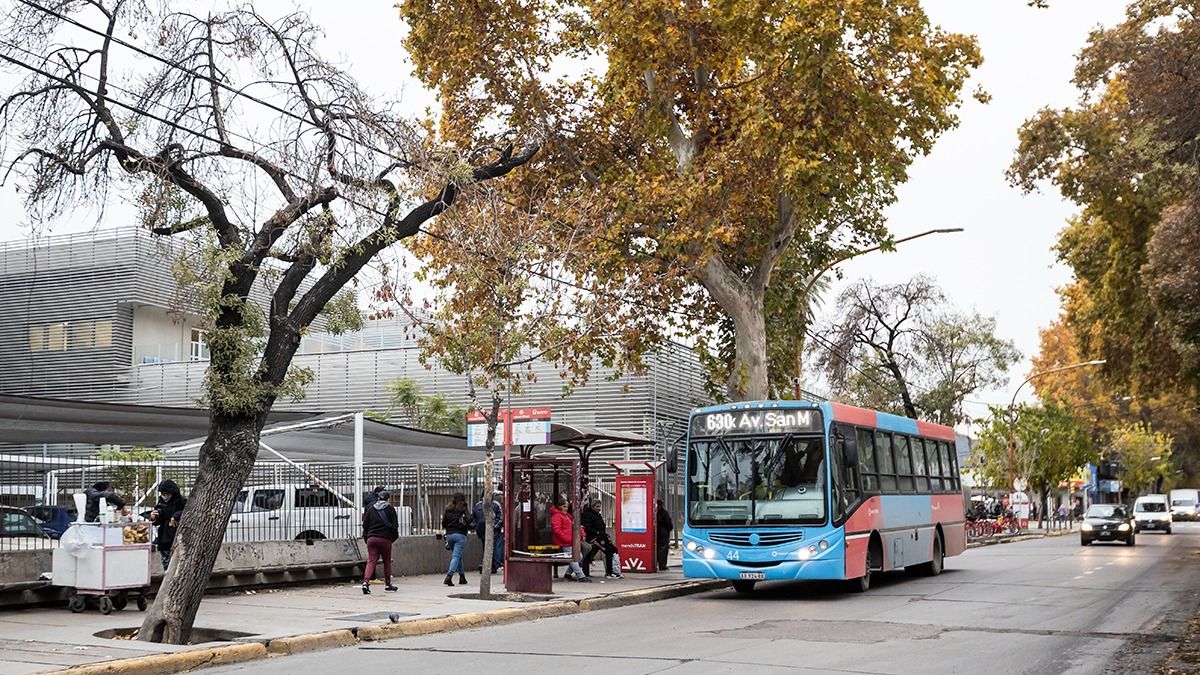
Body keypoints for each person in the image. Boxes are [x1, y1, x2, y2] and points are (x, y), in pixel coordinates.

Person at [361, 490, 399, 594]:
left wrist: (367, 537)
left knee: (371, 561)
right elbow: (395, 526)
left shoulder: (371, 509)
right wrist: (392, 538)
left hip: (371, 538)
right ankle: (387, 584)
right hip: (385, 539)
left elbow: (365, 525)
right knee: (386, 561)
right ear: (387, 499)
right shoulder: (390, 509)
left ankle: (365, 582)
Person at [550, 495, 591, 582]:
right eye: (564, 506)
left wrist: (582, 533)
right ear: (559, 506)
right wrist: (567, 539)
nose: (566, 508)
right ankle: (581, 576)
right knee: (575, 557)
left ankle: (568, 574)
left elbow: (576, 525)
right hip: (565, 541)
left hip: (571, 540)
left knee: (578, 556)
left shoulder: (567, 516)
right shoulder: (556, 516)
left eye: (567, 507)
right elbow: (557, 530)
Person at [148, 479, 186, 570]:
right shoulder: (161, 502)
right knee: (166, 562)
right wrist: (153, 517)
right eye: (163, 494)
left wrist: (175, 516)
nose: (165, 496)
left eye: (167, 494)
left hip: (177, 535)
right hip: (164, 536)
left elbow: (187, 512)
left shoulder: (181, 501)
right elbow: (158, 519)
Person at [581, 500, 621, 579]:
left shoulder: (598, 515)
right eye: (597, 506)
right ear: (592, 506)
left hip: (601, 537)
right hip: (593, 538)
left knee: (614, 549)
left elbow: (601, 527)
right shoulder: (587, 515)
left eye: (600, 506)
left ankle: (615, 571)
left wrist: (606, 535)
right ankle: (609, 573)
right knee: (608, 551)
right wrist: (598, 532)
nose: (599, 508)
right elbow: (587, 527)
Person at [442, 492, 474, 587]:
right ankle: (449, 576)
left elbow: (444, 524)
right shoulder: (462, 510)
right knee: (456, 556)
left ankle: (462, 577)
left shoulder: (448, 510)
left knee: (458, 556)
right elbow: (469, 520)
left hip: (449, 536)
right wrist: (466, 509)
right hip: (460, 536)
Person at [473, 489, 504, 574]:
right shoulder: (479, 505)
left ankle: (492, 564)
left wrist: (494, 526)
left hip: (490, 531)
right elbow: (474, 517)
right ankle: (491, 564)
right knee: (489, 547)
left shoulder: (492, 505)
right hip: (484, 531)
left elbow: (500, 517)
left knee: (491, 547)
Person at [656, 499, 673, 571]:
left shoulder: (654, 512)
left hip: (656, 533)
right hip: (664, 533)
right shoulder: (664, 513)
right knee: (663, 549)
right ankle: (662, 566)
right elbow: (669, 523)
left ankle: (655, 564)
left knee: (656, 549)